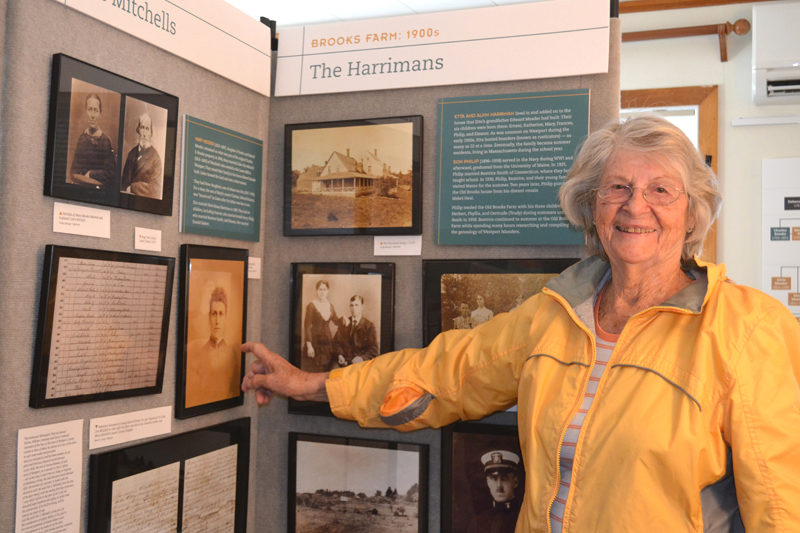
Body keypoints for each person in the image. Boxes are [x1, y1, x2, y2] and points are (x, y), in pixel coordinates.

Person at [241, 116, 800, 531]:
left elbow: (781, 505)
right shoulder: (558, 314)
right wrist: (312, 384)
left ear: (692, 211)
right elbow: (444, 374)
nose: (636, 206)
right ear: (592, 206)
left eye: (660, 190)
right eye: (618, 187)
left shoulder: (747, 328)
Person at [185, 287, 240, 407]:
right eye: (214, 314)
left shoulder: (233, 355)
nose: (217, 321)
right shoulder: (197, 352)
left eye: (221, 314)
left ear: (226, 317)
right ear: (209, 317)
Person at [68, 93, 115, 188]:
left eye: (96, 110)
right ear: (86, 112)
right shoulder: (82, 138)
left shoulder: (105, 141)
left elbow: (109, 173)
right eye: (90, 109)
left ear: (100, 114)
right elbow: (73, 170)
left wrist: (90, 174)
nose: (92, 115)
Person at [469, 450, 522, 533]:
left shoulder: (525, 517)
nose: (499, 486)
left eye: (504, 479)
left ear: (515, 482)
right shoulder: (478, 522)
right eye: (493, 479)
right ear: (488, 482)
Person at [120, 112, 163, 199]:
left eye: (147, 129)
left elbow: (155, 189)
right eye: (142, 127)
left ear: (151, 133)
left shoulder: (155, 158)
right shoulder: (131, 153)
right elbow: (123, 182)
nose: (144, 133)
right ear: (138, 130)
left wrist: (133, 188)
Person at [302, 280, 340, 372]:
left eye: (324, 289)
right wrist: (309, 346)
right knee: (315, 370)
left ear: (328, 291)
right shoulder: (311, 306)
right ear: (316, 291)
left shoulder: (330, 305)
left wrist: (345, 319)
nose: (322, 292)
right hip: (315, 341)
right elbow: (307, 326)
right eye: (320, 289)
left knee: (326, 370)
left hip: (327, 342)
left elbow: (336, 321)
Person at [333, 295, 379, 367]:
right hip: (344, 363)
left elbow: (374, 350)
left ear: (361, 307)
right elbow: (336, 343)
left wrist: (361, 358)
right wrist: (340, 355)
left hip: (361, 364)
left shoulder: (369, 326)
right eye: (351, 305)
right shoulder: (345, 322)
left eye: (356, 305)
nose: (354, 308)